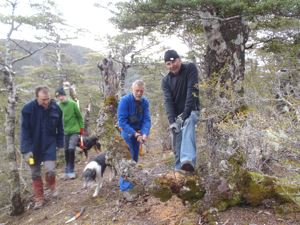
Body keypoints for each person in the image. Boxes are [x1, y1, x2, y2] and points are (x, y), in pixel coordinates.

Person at [20, 86, 64, 209]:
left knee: (50, 170)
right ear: (37, 97)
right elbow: (24, 131)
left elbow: (60, 128)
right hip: (32, 147)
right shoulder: (28, 109)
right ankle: (39, 198)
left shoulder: (56, 108)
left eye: (48, 99)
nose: (46, 102)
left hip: (50, 144)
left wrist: (60, 144)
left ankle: (52, 187)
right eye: (43, 100)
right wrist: (26, 150)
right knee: (35, 173)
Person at [161, 49, 200, 173]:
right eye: (168, 64)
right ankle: (179, 171)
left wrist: (184, 115)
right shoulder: (165, 81)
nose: (172, 66)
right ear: (166, 65)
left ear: (179, 60)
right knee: (177, 138)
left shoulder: (190, 69)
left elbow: (192, 93)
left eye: (174, 62)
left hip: (192, 111)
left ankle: (187, 161)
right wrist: (172, 121)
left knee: (188, 123)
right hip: (177, 117)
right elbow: (168, 102)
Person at [117, 80, 151, 162]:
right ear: (132, 89)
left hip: (139, 134)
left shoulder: (145, 102)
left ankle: (132, 174)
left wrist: (144, 133)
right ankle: (123, 175)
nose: (139, 93)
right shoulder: (125, 101)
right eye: (137, 91)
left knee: (135, 159)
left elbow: (147, 120)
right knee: (128, 159)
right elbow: (122, 122)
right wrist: (135, 134)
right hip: (127, 133)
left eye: (141, 91)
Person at [55, 87, 84, 179]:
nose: (60, 98)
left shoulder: (73, 104)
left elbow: (79, 117)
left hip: (74, 131)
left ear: (65, 95)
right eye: (58, 97)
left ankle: (71, 169)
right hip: (64, 132)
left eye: (61, 95)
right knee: (66, 150)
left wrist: (81, 129)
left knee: (71, 149)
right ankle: (67, 168)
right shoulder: (58, 106)